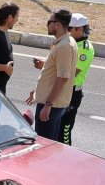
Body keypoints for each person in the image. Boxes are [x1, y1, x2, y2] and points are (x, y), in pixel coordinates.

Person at [25, 8, 75, 141]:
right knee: (49, 145)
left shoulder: (64, 46)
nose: (47, 25)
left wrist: (48, 105)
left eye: (49, 22)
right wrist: (37, 91)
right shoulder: (63, 43)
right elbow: (54, 74)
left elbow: (62, 78)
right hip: (52, 103)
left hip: (51, 106)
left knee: (44, 147)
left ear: (58, 24)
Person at [62, 12, 94, 146]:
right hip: (63, 90)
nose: (67, 31)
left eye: (70, 29)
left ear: (80, 29)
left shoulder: (85, 49)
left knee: (64, 131)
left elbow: (71, 73)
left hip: (72, 92)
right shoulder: (71, 42)